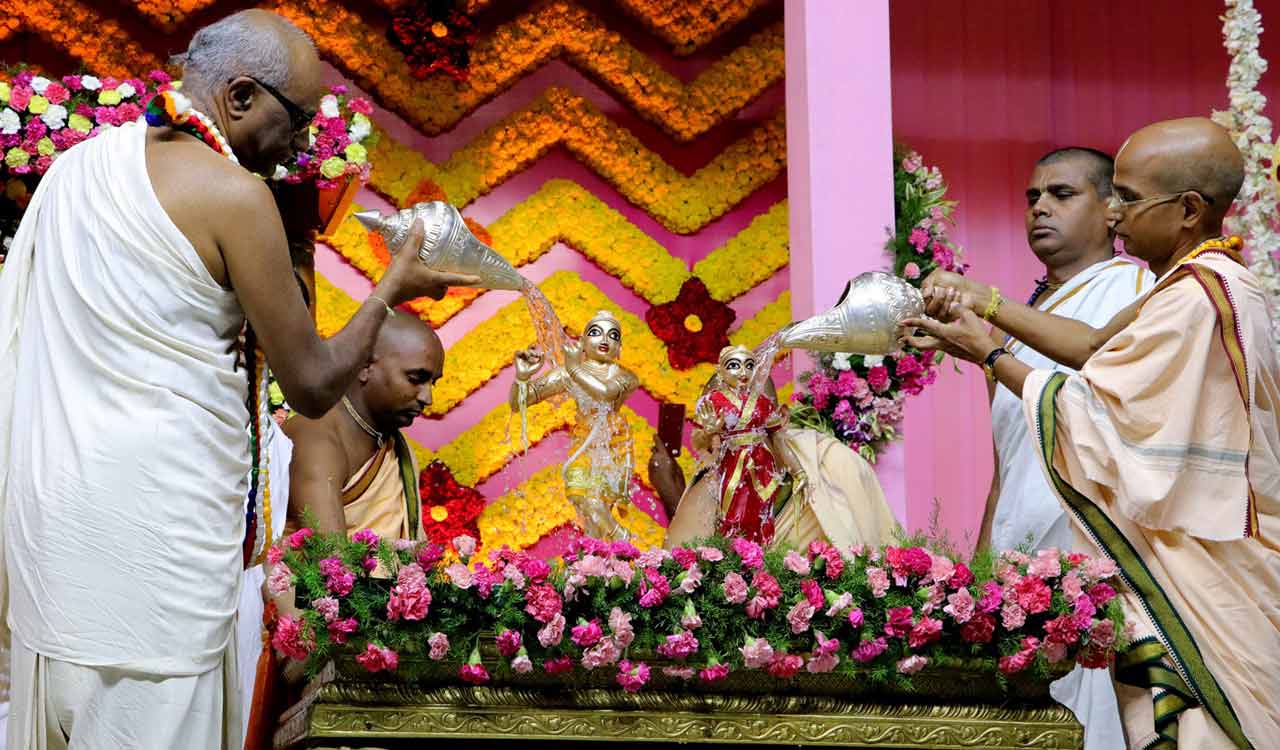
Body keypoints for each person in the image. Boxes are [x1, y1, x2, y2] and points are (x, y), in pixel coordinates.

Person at [0, 10, 477, 749]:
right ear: (242, 94)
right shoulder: (233, 196)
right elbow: (314, 384)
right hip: (156, 549)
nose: (301, 145)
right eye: (300, 120)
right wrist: (391, 290)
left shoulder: (77, 170)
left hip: (60, 531)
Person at [903, 117, 1279, 749]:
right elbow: (1091, 348)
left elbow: (1100, 410)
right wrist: (984, 322)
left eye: (1128, 198)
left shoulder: (1196, 298)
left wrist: (992, 355)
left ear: (1188, 209)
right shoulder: (1192, 282)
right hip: (1143, 557)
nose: (1117, 213)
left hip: (1196, 559)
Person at [983, 147, 1152, 556]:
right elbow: (1006, 465)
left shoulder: (1138, 291)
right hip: (1017, 551)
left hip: (1099, 546)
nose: (1040, 207)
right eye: (1032, 197)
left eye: (1061, 194)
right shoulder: (1006, 329)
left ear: (1112, 210)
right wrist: (982, 571)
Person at [281, 313, 440, 542]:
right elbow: (332, 566)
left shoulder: (390, 444)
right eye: (416, 378)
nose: (427, 398)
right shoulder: (315, 438)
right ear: (364, 366)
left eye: (432, 382)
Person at [510, 310, 641, 541]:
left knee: (596, 508)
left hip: (613, 446)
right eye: (595, 333)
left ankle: (613, 547)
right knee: (583, 502)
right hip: (583, 444)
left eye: (613, 336)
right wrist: (522, 378)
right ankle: (598, 559)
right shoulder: (568, 373)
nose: (604, 340)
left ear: (619, 348)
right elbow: (519, 402)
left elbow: (605, 393)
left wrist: (574, 369)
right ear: (582, 342)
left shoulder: (625, 376)